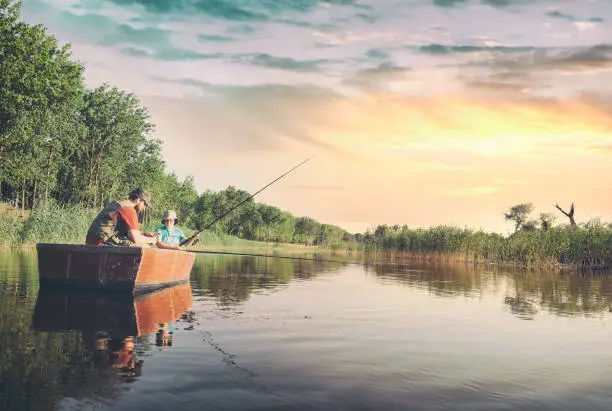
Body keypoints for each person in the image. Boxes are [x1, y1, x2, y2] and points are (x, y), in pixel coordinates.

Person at [85, 187, 159, 247]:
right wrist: (152, 240)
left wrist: (145, 234)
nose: (144, 208)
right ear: (138, 200)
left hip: (91, 241)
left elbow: (128, 232)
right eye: (144, 204)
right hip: (102, 243)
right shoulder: (129, 209)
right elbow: (135, 238)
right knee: (144, 247)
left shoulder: (118, 203)